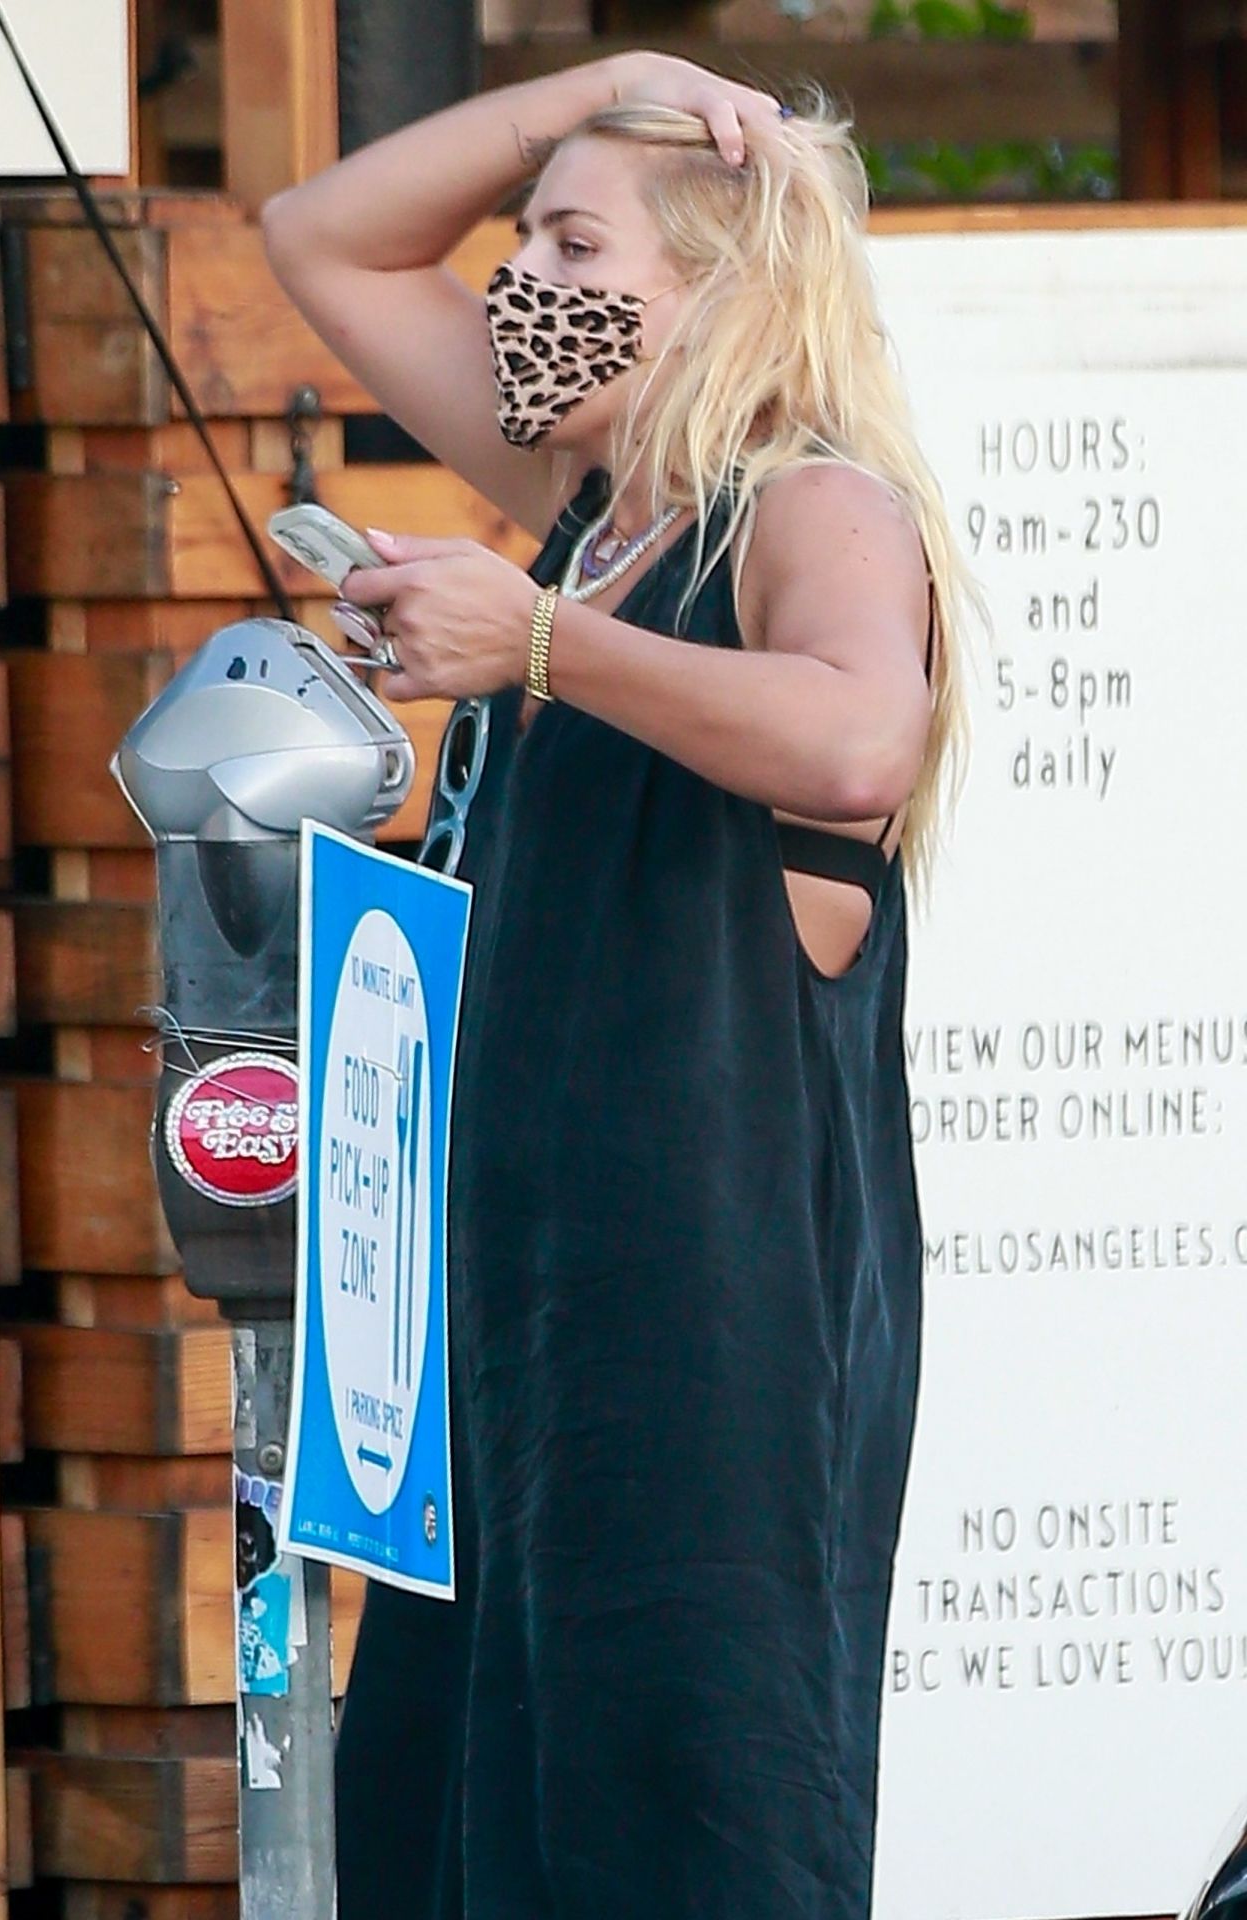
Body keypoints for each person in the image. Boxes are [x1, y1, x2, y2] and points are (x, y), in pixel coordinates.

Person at [262, 47, 977, 1920]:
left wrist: (544, 646)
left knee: (685, 1831)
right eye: (522, 238)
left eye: (574, 241)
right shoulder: (595, 507)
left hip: (704, 1361)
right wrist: (607, 84)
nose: (521, 279)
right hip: (508, 1352)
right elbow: (318, 239)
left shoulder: (809, 506)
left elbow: (854, 744)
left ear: (721, 288)